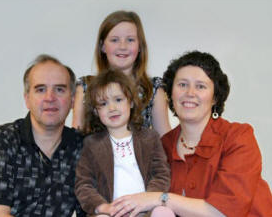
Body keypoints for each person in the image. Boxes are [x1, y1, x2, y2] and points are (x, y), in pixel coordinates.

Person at [110, 51, 272, 217]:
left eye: (200, 86)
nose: (190, 93)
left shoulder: (238, 137)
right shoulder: (162, 146)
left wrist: (161, 198)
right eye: (182, 85)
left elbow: (224, 212)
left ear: (215, 97)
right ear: (170, 94)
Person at [0, 54, 86, 217]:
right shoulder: (1, 140)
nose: (50, 98)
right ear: (27, 99)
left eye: (59, 89)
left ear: (72, 100)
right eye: (40, 89)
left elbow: (91, 208)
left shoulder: (82, 148)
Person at [74, 70, 174, 217]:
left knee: (164, 212)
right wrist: (102, 207)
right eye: (103, 103)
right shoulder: (91, 144)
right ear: (96, 111)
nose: (112, 108)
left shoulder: (150, 138)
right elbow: (84, 184)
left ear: (131, 102)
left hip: (145, 209)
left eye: (118, 100)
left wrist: (147, 200)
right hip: (110, 212)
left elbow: (161, 174)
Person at [72, 10, 171, 137]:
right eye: (114, 40)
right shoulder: (86, 86)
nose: (123, 46)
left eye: (130, 40)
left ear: (140, 46)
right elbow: (76, 137)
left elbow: (165, 140)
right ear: (102, 46)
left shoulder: (153, 89)